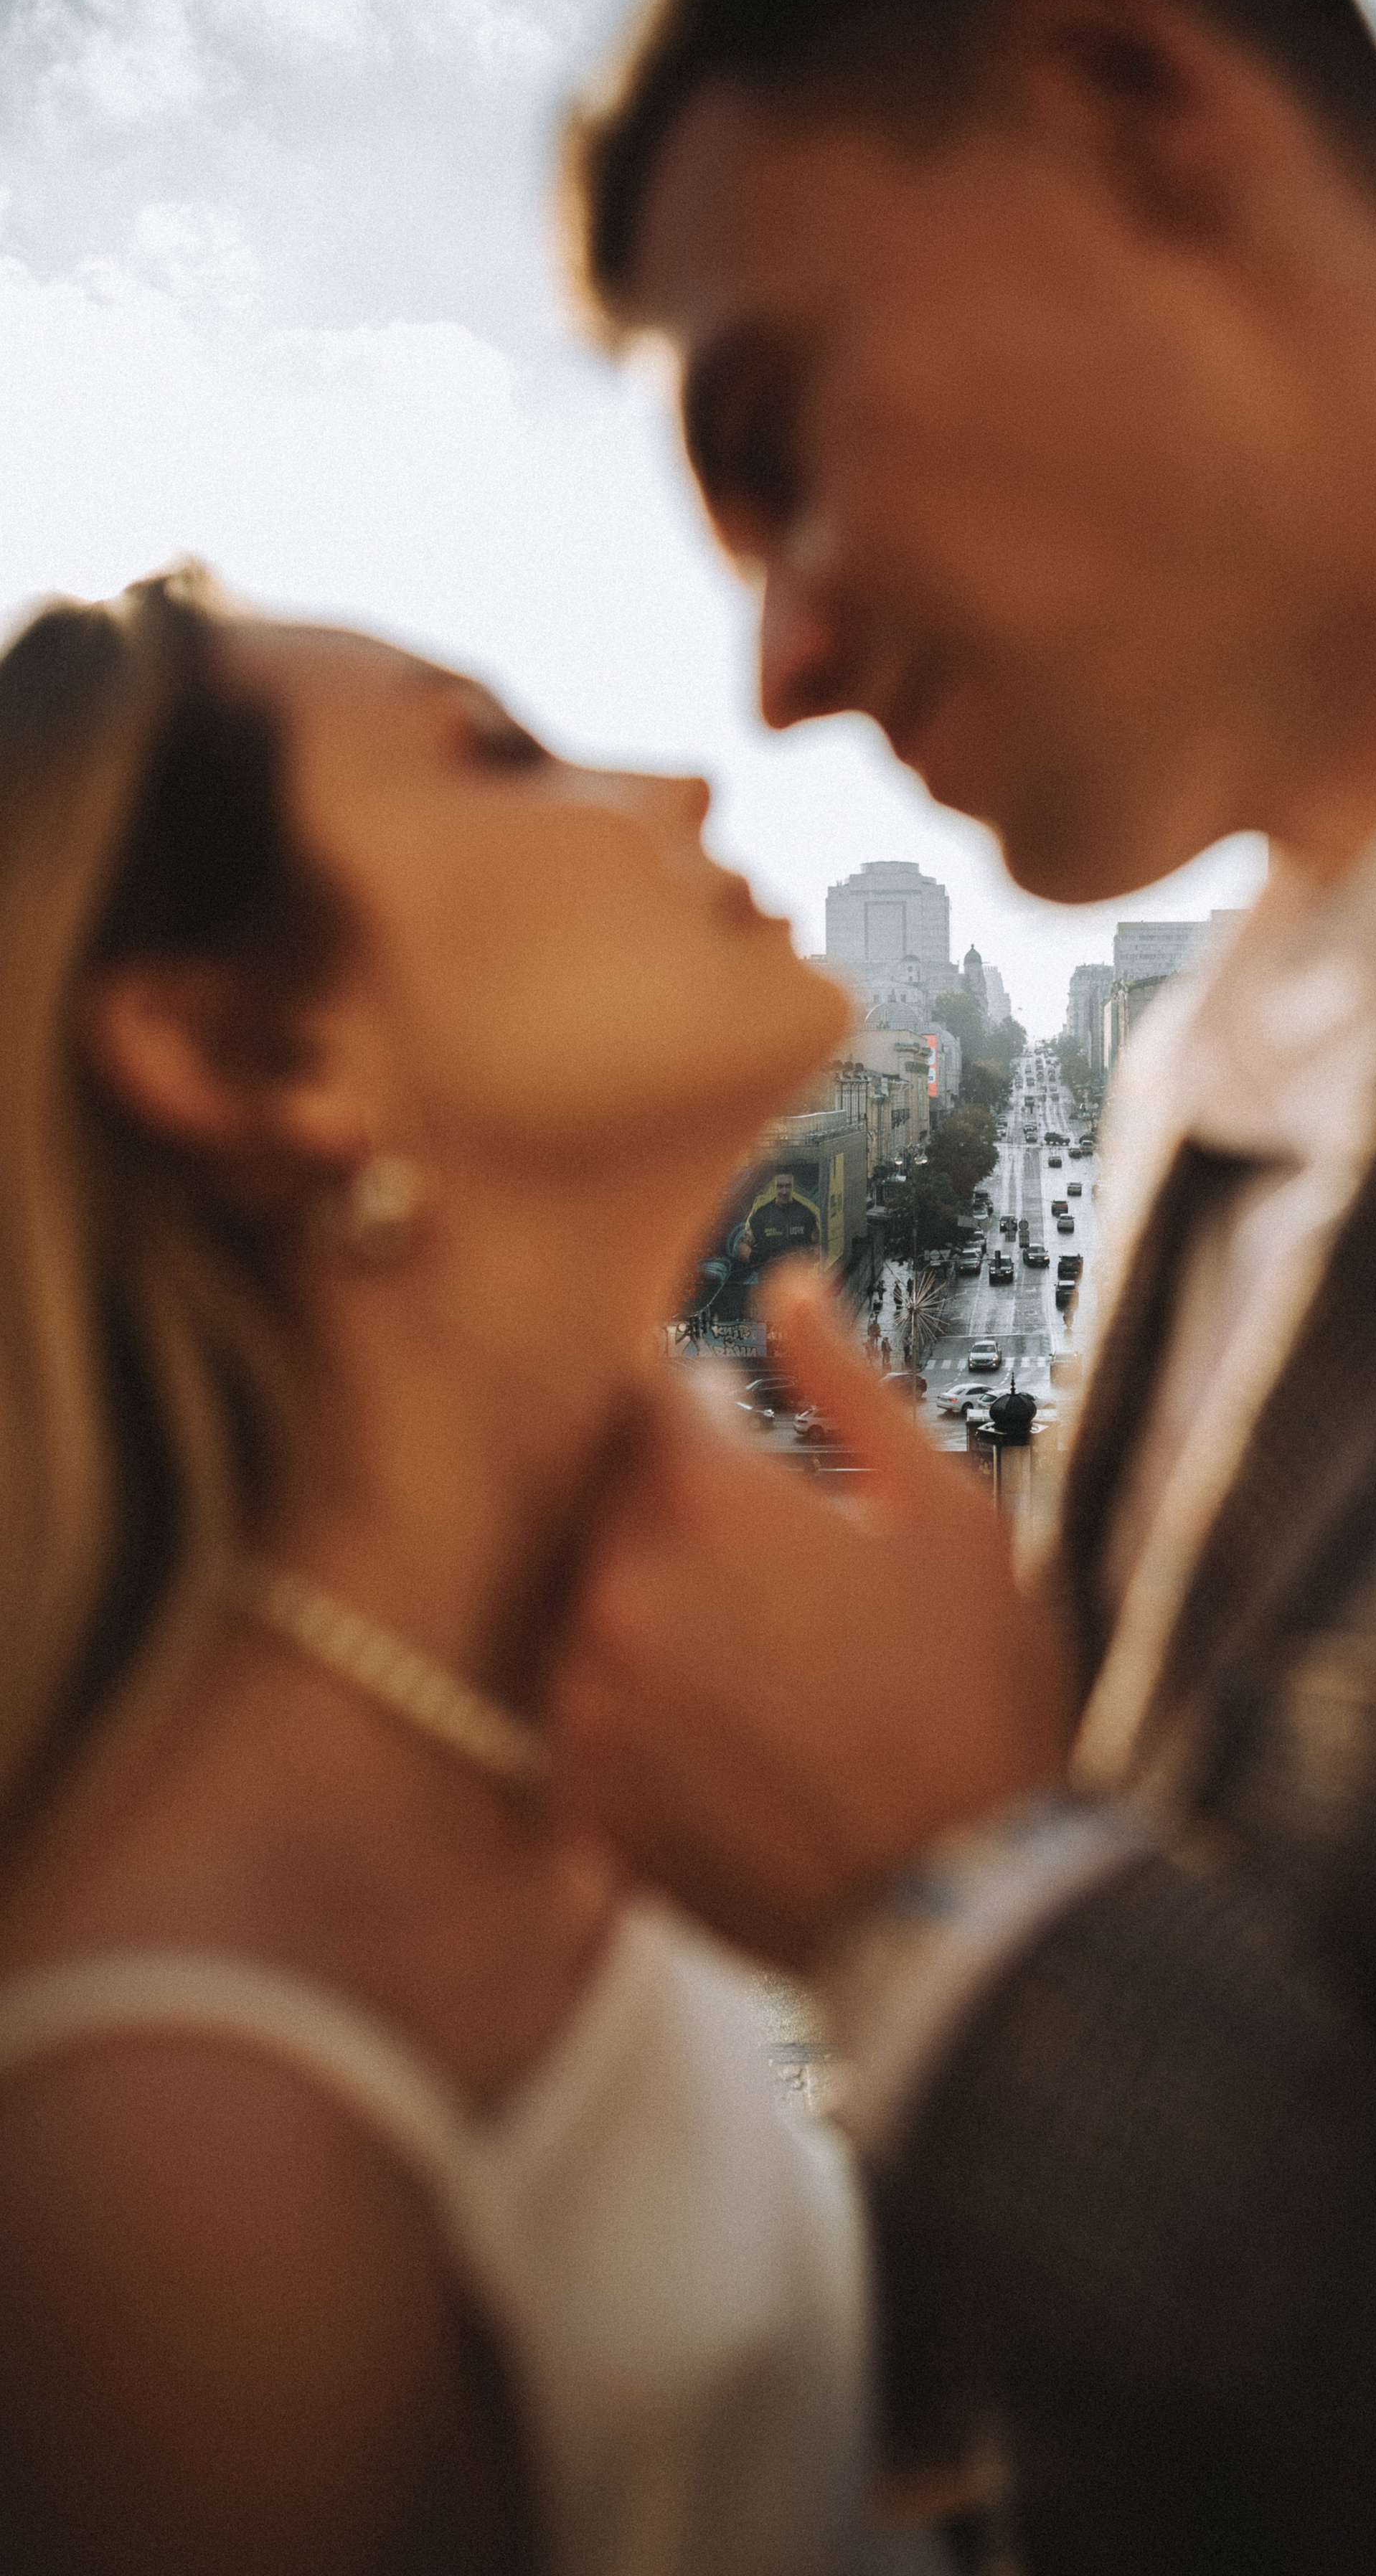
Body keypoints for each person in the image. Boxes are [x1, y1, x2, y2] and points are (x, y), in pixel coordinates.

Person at [552, 0, 1376, 2568]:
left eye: (772, 444)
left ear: (1127, 96)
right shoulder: (1174, 1110)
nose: (767, 666)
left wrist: (961, 1931)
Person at [0, 566, 944, 2576]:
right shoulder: (193, 2174)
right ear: (253, 1055)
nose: (687, 786)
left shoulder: (599, 1741)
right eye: (500, 754)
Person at [735, 1166, 823, 1273]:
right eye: (780, 1186)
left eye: (788, 1186)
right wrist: (760, 1261)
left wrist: (807, 1259)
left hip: (798, 1280)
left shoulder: (805, 1214)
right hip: (769, 1282)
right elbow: (741, 1247)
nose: (784, 1192)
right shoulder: (762, 1215)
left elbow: (819, 1245)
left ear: (793, 1186)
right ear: (774, 1187)